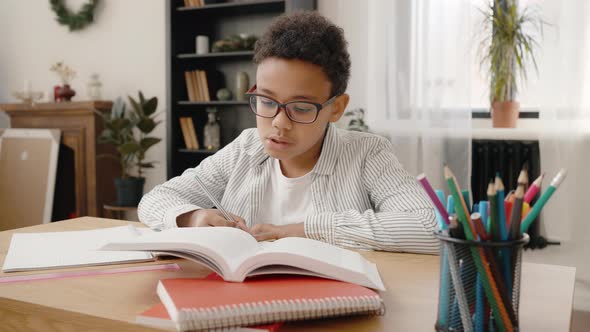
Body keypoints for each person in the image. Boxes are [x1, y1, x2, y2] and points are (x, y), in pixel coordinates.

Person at [139, 11, 438, 254]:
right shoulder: (245, 148)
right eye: (267, 101)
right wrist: (194, 217)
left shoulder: (367, 154)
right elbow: (155, 201)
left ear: (336, 108)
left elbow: (429, 226)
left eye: (302, 107)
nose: (279, 123)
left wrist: (299, 230)